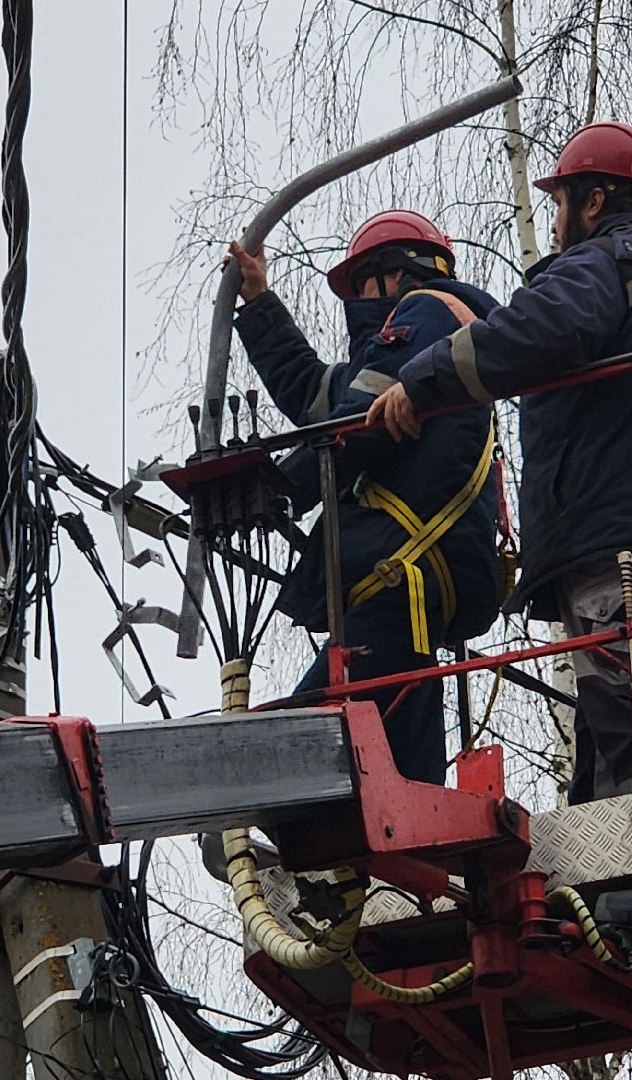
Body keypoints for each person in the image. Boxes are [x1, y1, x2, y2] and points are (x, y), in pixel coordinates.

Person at [364, 122, 632, 804]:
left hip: (626, 538)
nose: (554, 224)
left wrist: (420, 381)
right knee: (626, 711)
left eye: (560, 204)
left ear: (595, 202)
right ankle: (621, 862)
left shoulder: (606, 263)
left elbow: (536, 332)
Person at [228, 210, 503, 784]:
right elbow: (319, 397)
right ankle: (406, 873)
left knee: (291, 755)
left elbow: (353, 426)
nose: (358, 300)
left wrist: (276, 487)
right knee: (405, 782)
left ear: (391, 274)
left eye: (362, 285)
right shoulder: (410, 351)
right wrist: (259, 307)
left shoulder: (427, 312)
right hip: (413, 589)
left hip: (399, 580)